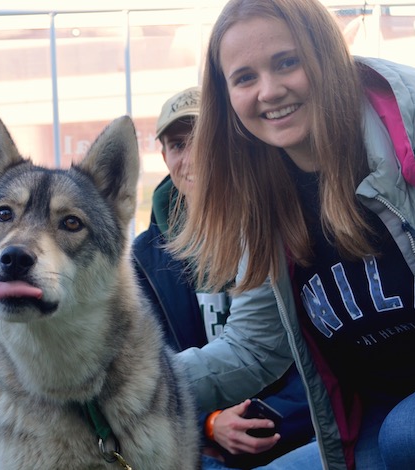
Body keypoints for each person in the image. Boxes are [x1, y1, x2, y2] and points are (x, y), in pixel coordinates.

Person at [170, 0, 415, 468]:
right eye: (244, 78)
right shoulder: (264, 210)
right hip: (381, 425)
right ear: (226, 99)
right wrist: (122, 383)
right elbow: (253, 349)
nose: (269, 90)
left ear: (325, 56)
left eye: (288, 62)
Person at [132, 86, 316, 469]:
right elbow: (151, 361)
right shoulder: (143, 259)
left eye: (205, 139)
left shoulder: (288, 224)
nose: (193, 156)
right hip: (199, 442)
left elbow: (319, 350)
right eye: (179, 145)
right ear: (164, 156)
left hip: (297, 429)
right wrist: (210, 424)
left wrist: (262, 419)